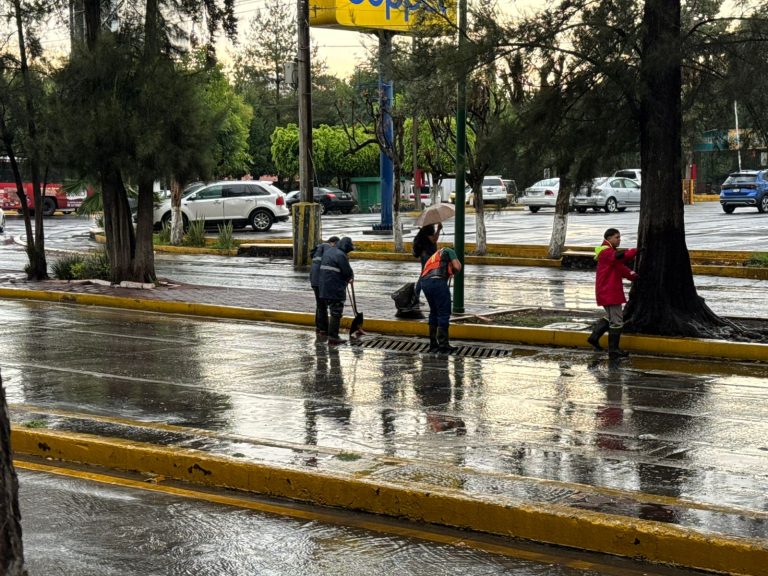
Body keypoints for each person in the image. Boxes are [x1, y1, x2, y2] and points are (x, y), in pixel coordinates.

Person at [588, 228, 639, 362]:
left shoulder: (607, 252)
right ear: (608, 238)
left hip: (606, 291)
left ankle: (594, 337)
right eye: (617, 237)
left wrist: (633, 276)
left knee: (611, 317)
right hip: (610, 291)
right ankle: (614, 351)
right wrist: (635, 251)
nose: (619, 239)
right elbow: (620, 257)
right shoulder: (607, 252)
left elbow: (620, 267)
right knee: (617, 321)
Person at [420, 245, 462, 353]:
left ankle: (433, 344)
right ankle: (443, 345)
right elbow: (457, 267)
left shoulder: (436, 255)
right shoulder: (449, 250)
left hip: (425, 282)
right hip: (437, 282)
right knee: (443, 313)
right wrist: (454, 269)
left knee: (434, 312)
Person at [318, 236, 355, 344]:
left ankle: (331, 334)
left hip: (324, 286)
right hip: (335, 287)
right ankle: (333, 337)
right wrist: (350, 278)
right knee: (336, 311)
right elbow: (346, 271)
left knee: (332, 309)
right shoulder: (340, 255)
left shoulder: (330, 251)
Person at [310, 236, 339, 336]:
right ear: (333, 243)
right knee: (322, 305)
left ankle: (319, 327)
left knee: (319, 305)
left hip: (314, 280)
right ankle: (323, 329)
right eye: (336, 245)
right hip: (321, 281)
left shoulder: (319, 248)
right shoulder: (327, 248)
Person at [412, 223, 442, 302]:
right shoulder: (428, 227)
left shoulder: (427, 227)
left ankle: (416, 297)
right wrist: (439, 229)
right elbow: (433, 240)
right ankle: (415, 297)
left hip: (426, 255)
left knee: (427, 275)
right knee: (424, 276)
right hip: (427, 255)